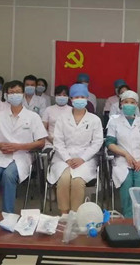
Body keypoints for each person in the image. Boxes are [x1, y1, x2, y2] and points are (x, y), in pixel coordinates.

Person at [0, 80, 47, 213]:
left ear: (23, 94)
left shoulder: (33, 116)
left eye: (17, 92)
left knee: (9, 175)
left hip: (23, 155)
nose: (14, 95)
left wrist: (19, 146)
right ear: (6, 96)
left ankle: (8, 215)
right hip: (1, 155)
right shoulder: (0, 116)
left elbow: (41, 142)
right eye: (11, 93)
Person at [49, 84, 103, 214]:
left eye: (82, 97)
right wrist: (67, 159)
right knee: (63, 180)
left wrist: (82, 159)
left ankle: (75, 215)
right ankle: (64, 214)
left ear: (87, 99)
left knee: (77, 181)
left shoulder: (94, 119)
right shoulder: (62, 118)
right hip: (63, 158)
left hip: (86, 159)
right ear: (71, 99)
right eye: (76, 97)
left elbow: (97, 142)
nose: (80, 99)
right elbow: (58, 141)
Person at [106, 90, 140, 218]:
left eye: (132, 102)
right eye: (126, 102)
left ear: (136, 104)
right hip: (122, 160)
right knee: (126, 181)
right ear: (121, 104)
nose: (129, 105)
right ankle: (128, 217)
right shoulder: (114, 122)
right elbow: (110, 143)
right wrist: (125, 154)